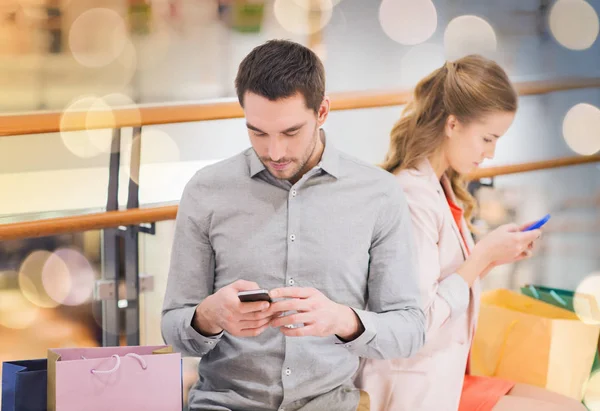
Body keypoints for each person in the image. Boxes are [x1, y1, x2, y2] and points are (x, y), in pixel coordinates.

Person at [161, 39, 426, 411]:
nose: (275, 152)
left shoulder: (379, 194)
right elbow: (173, 328)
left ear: (322, 112)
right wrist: (208, 316)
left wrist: (341, 319)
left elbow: (410, 330)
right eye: (258, 132)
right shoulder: (206, 191)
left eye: (290, 132)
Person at [354, 55, 586, 411]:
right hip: (416, 385)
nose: (491, 154)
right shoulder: (413, 198)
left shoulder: (442, 187)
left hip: (446, 373)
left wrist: (493, 257)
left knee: (573, 404)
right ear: (452, 124)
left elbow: (445, 281)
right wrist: (482, 256)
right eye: (487, 138)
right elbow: (417, 322)